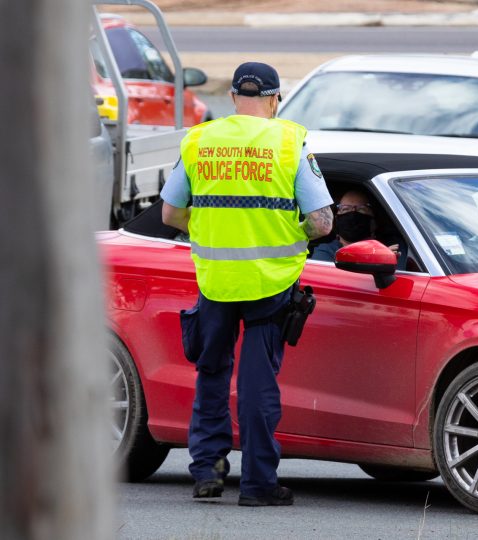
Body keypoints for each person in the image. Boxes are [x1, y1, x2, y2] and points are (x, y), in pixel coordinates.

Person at [160, 62, 333, 507]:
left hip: (216, 279)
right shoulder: (290, 141)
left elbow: (170, 215)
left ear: (234, 97)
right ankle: (258, 484)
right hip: (270, 283)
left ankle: (207, 473)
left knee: (211, 373)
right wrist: (288, 237)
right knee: (257, 383)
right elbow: (321, 222)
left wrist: (210, 232)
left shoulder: (199, 140)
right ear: (275, 100)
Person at [310, 190, 400, 262]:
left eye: (361, 209)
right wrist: (375, 259)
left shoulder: (389, 249)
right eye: (345, 209)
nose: (352, 213)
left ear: (373, 222)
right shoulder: (326, 251)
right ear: (336, 220)